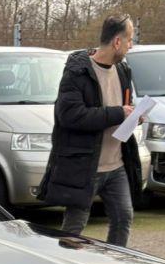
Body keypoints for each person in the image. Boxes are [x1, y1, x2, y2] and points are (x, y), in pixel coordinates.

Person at [38, 15, 143, 248]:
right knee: (73, 230)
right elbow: (70, 115)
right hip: (85, 166)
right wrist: (119, 113)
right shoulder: (78, 72)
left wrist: (133, 115)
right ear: (117, 42)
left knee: (123, 218)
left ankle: (114, 263)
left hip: (116, 165)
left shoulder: (123, 70)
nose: (131, 45)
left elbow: (123, 107)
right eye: (129, 40)